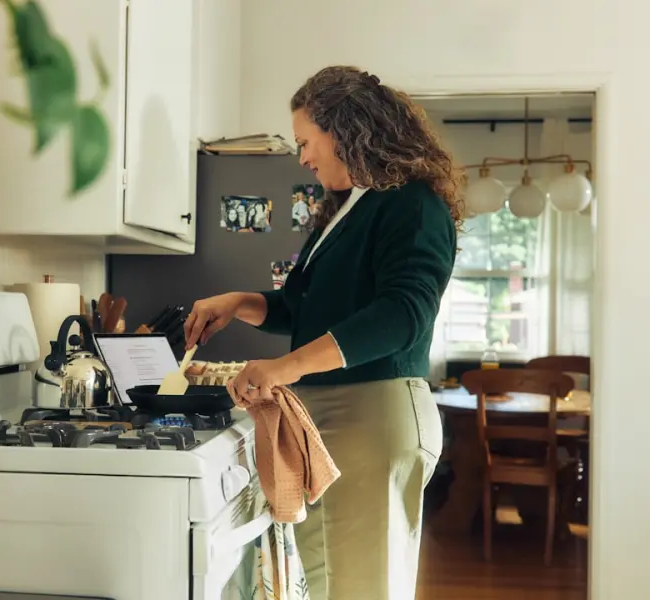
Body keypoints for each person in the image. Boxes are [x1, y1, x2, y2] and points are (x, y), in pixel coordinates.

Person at [184, 65, 464, 600]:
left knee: (361, 587)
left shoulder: (412, 204)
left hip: (372, 414)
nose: (303, 157)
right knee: (331, 581)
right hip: (333, 415)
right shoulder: (351, 207)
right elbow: (304, 310)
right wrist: (239, 303)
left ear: (348, 129)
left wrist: (284, 368)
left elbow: (404, 314)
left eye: (306, 141)